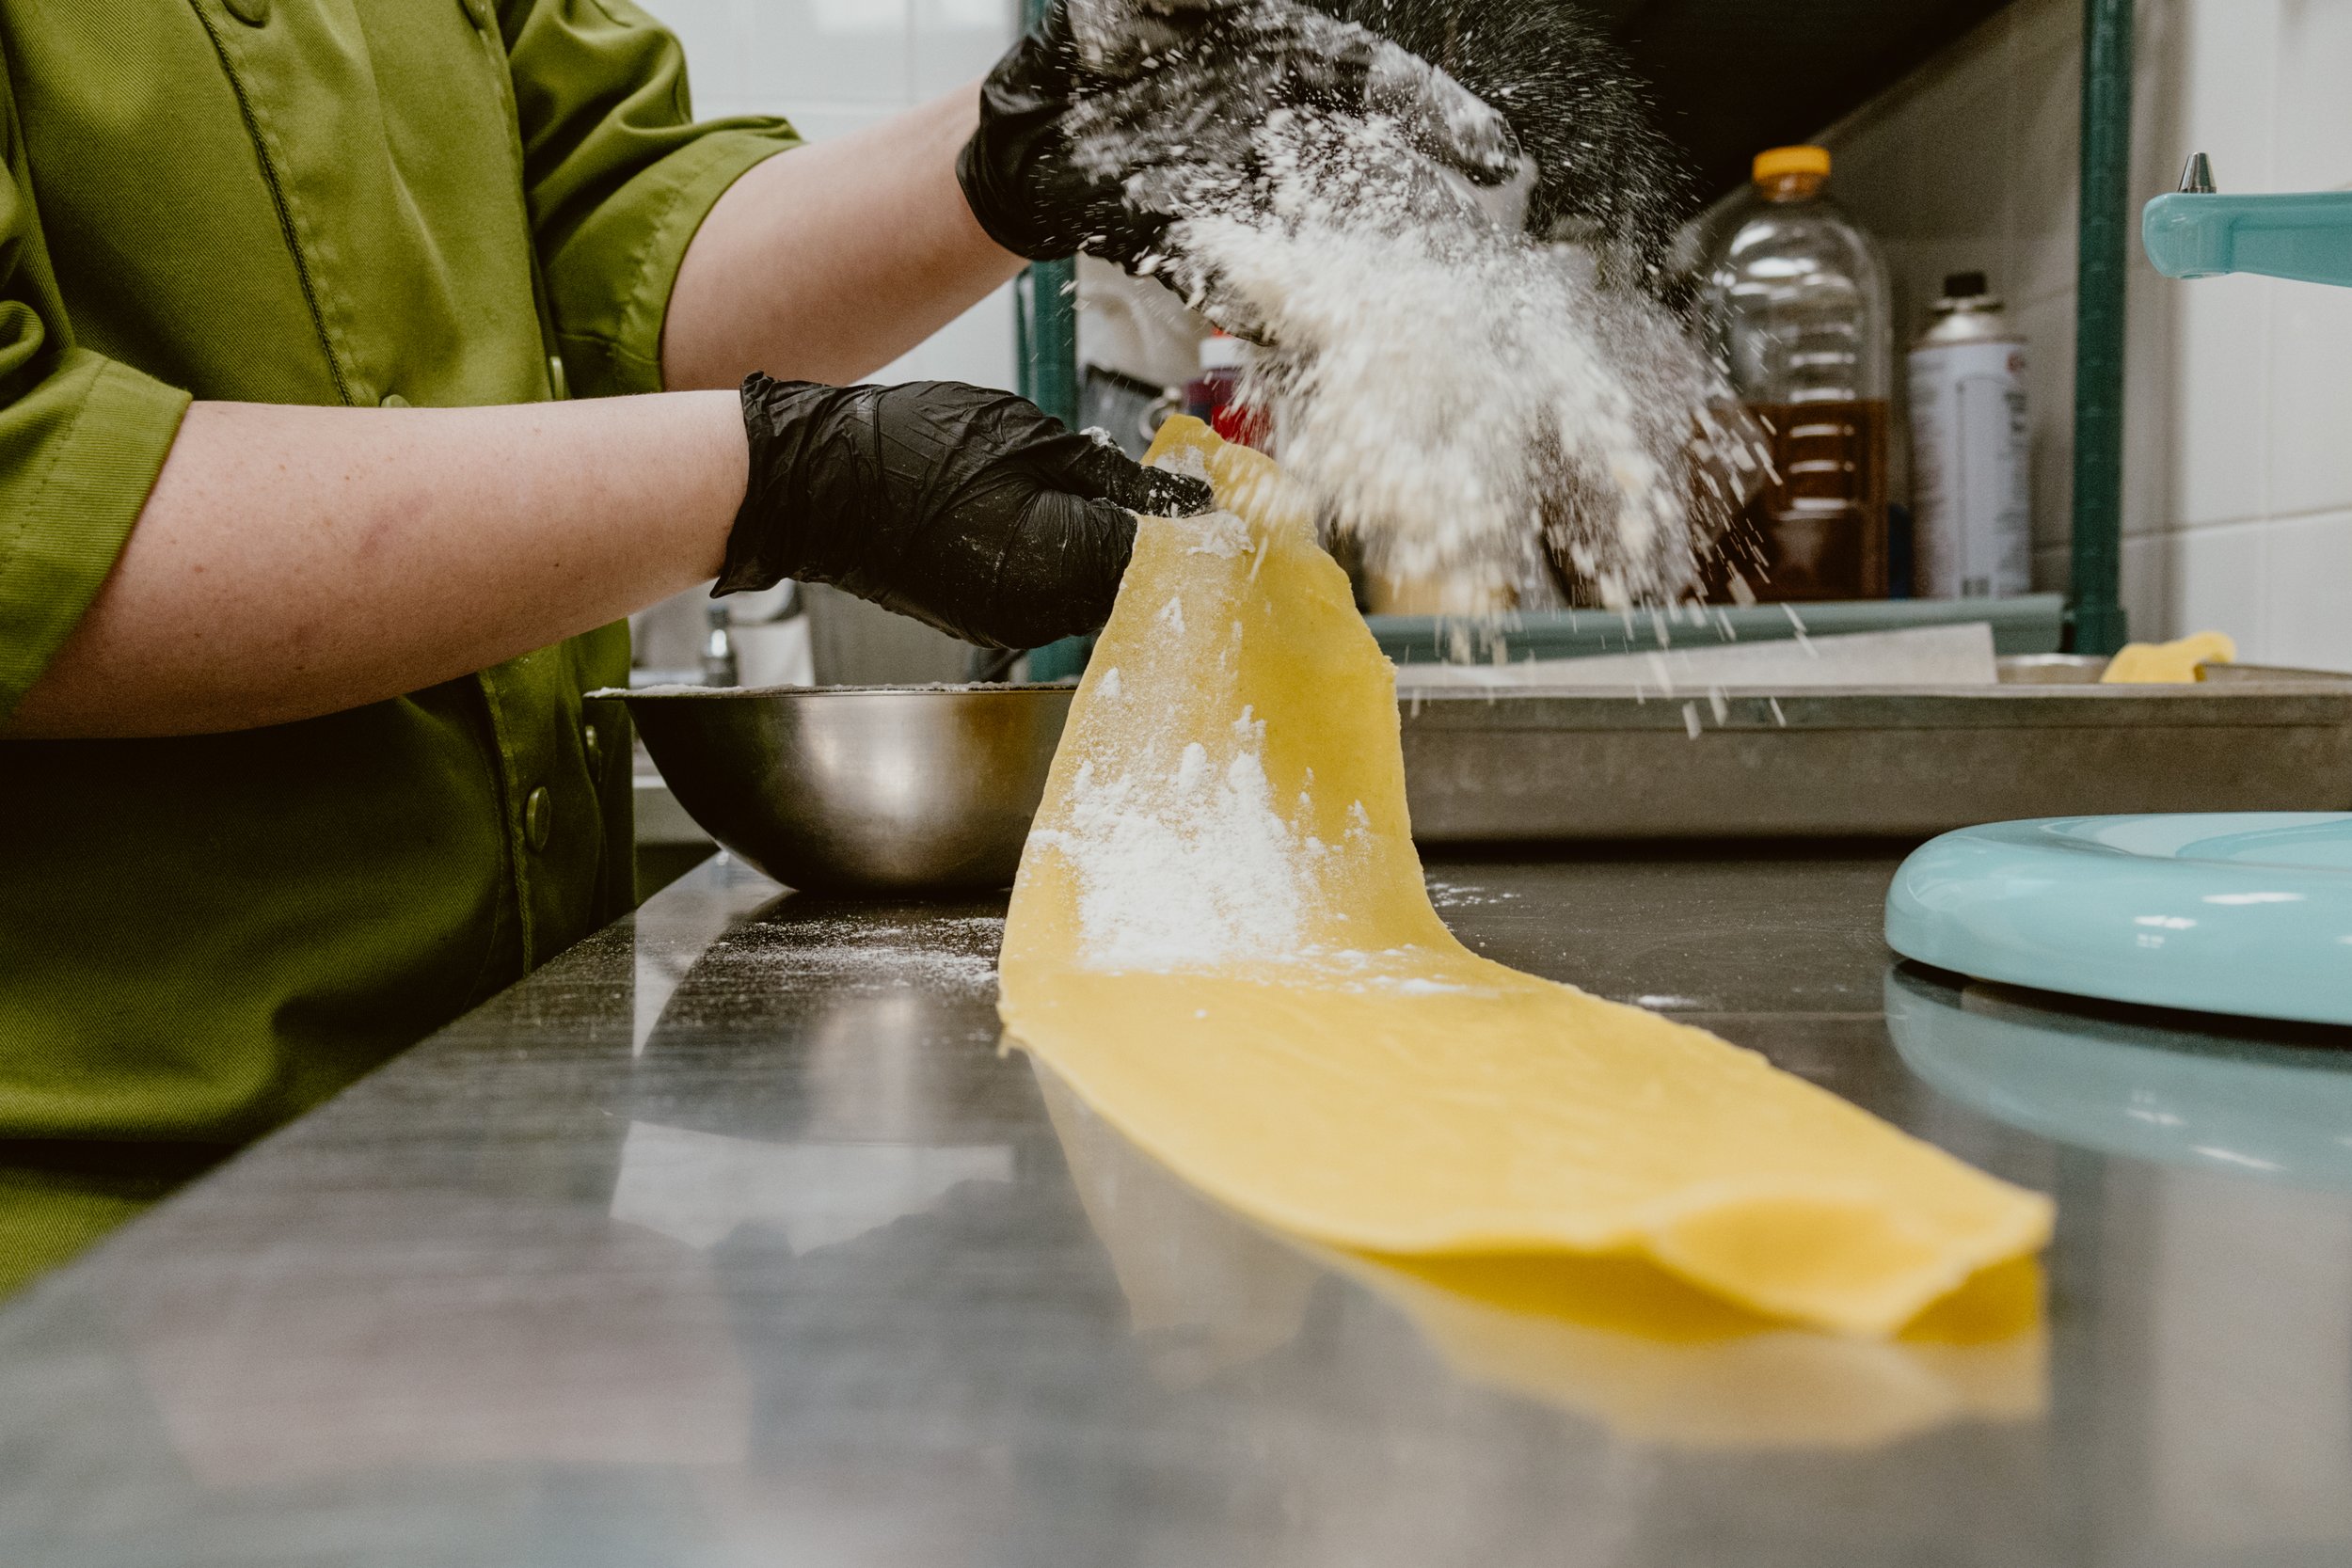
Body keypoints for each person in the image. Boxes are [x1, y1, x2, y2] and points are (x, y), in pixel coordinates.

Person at [0, 0, 1515, 1295]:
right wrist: (789, 477)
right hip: (84, 1235)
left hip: (486, 1146)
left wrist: (1033, 149)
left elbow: (625, 259)